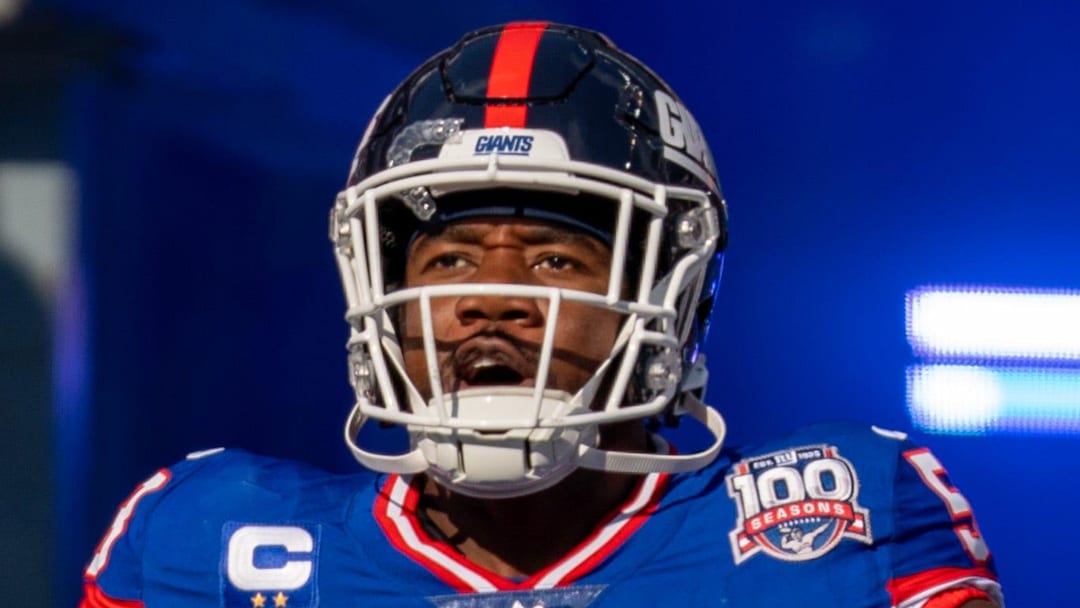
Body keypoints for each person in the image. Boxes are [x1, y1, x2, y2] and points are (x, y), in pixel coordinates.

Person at [81, 22, 1003, 607]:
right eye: (446, 260)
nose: (491, 298)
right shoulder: (204, 545)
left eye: (556, 259)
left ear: (670, 297)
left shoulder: (835, 516)